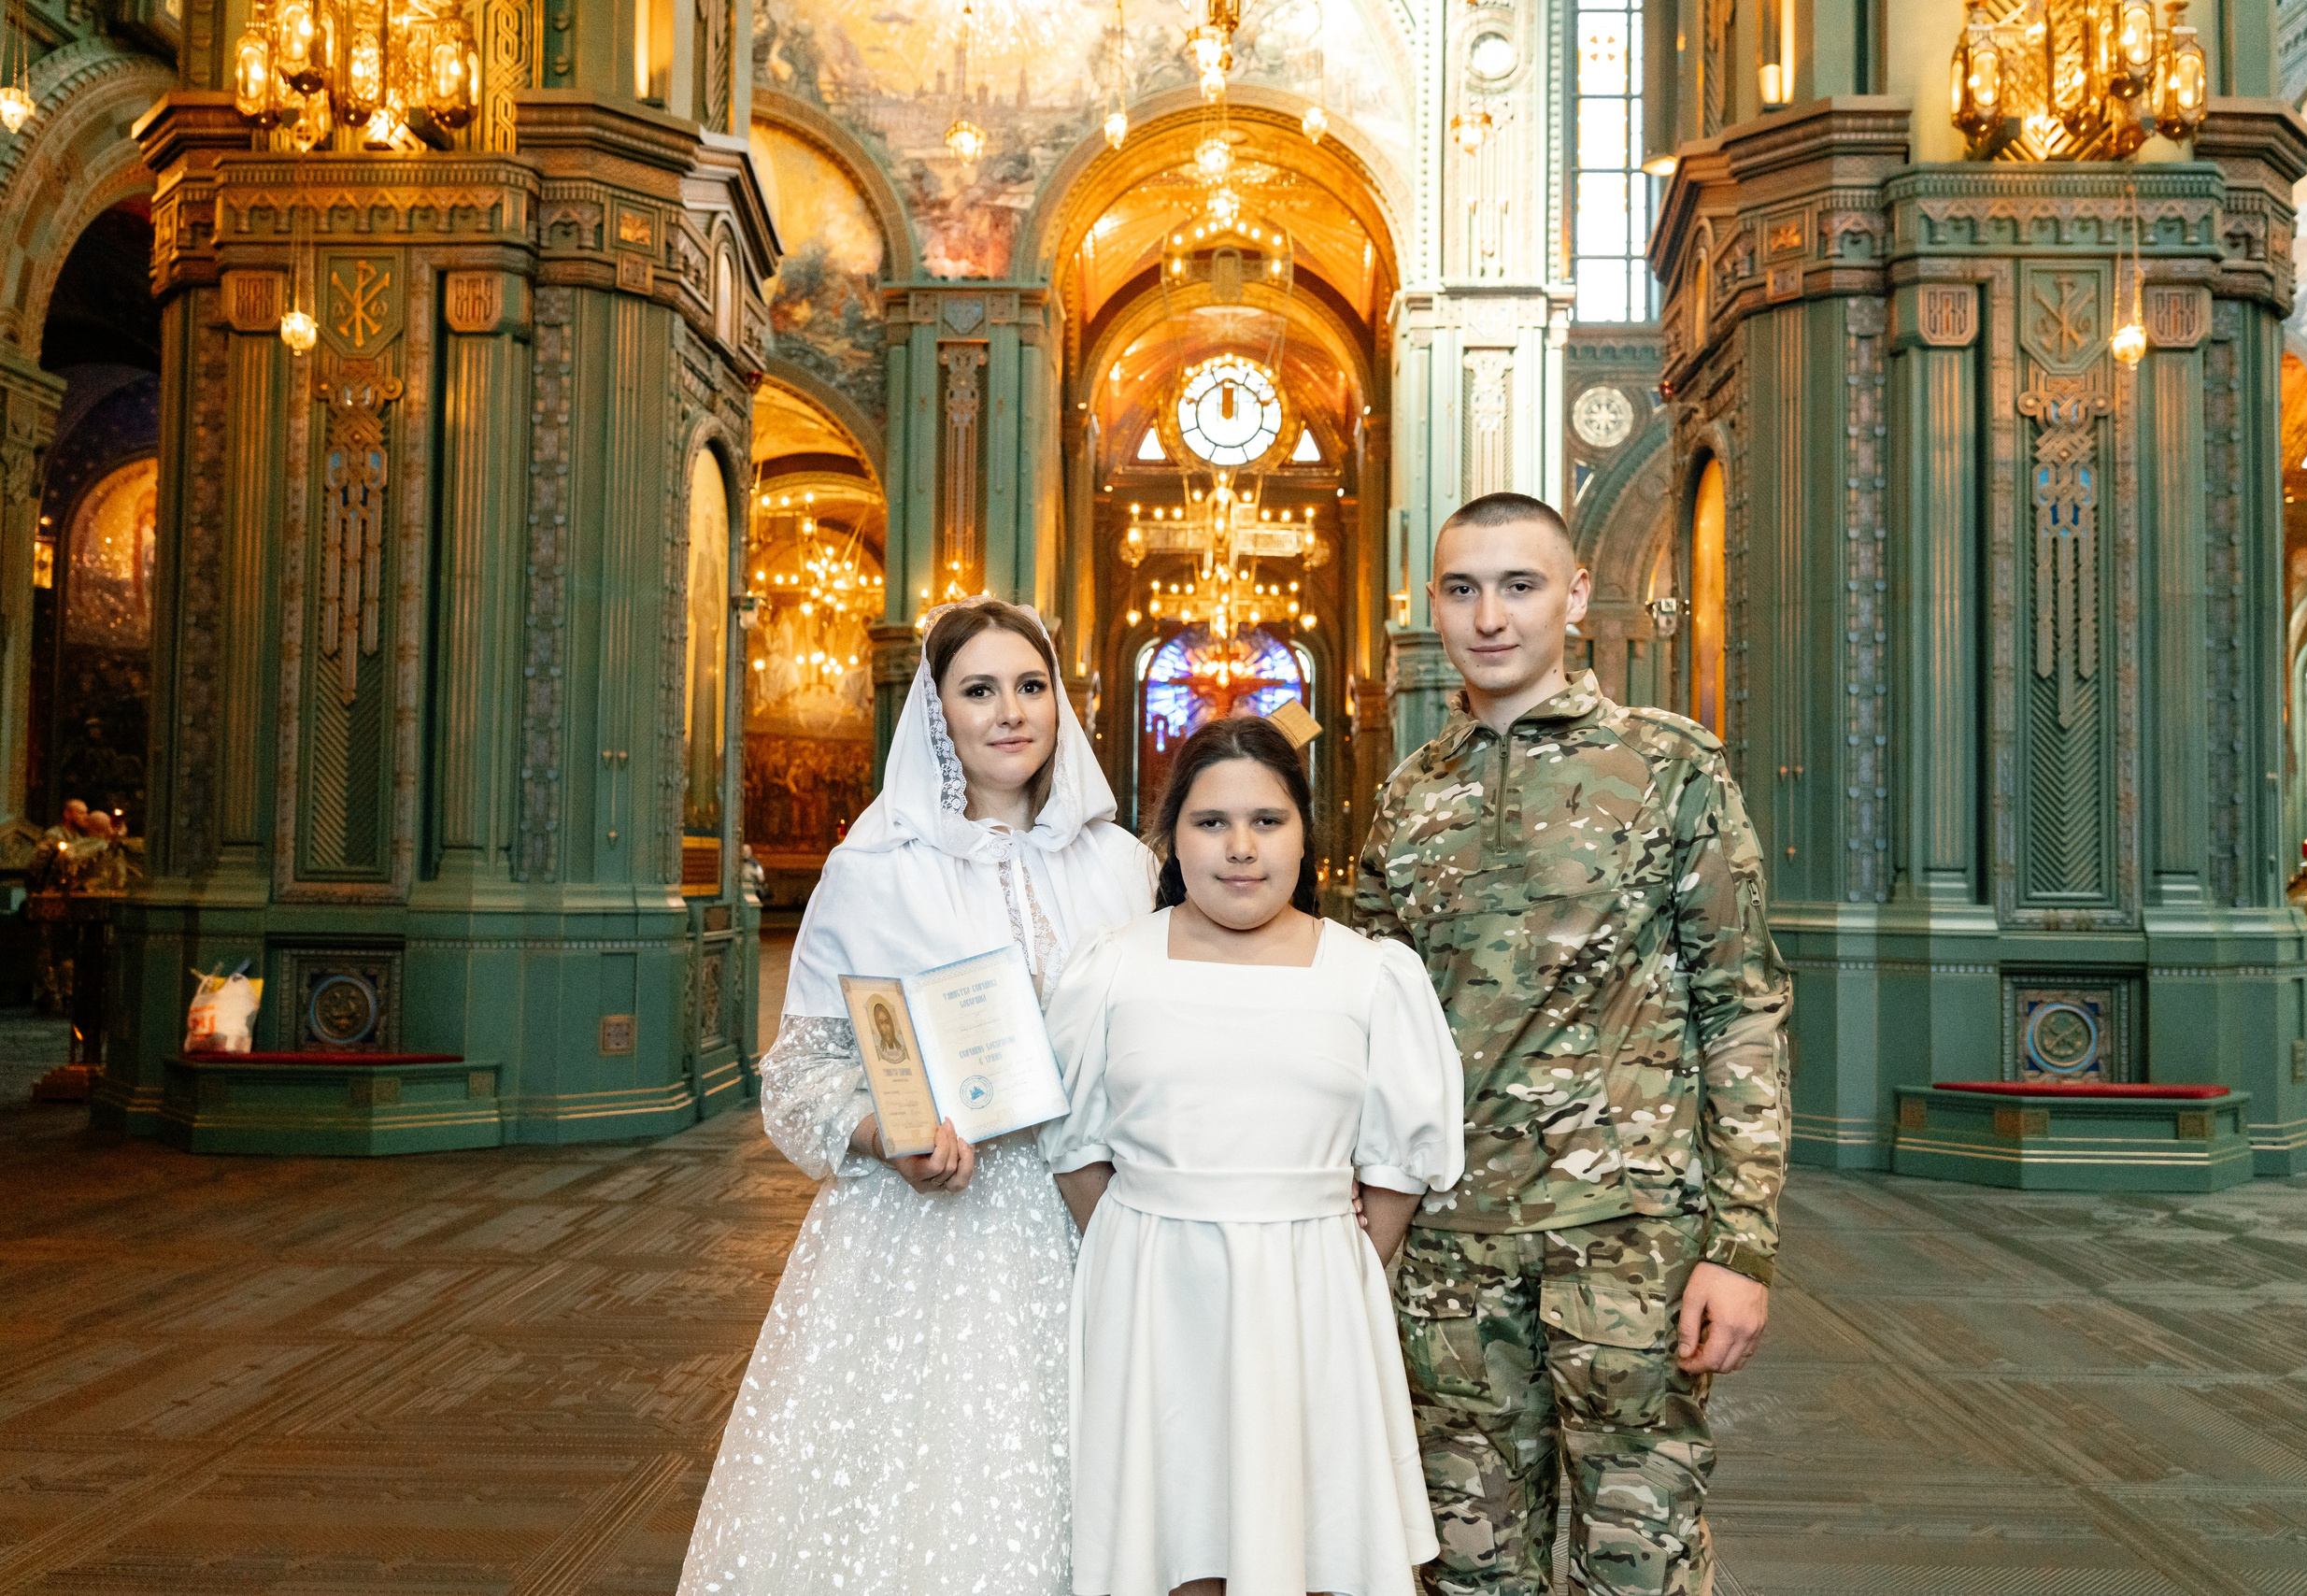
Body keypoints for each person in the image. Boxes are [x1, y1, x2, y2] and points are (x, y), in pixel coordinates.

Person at [1355, 492, 1791, 1596]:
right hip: (1451, 1254)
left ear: (1576, 596)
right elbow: (1364, 1036)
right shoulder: (1411, 798)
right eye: (1461, 589)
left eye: (1518, 585)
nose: (1488, 616)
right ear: (1433, 605)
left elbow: (1739, 1007)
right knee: (1467, 1565)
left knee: (1637, 1562)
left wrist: (1739, 1248)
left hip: (1633, 1245)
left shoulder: (1669, 767)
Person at [677, 598, 1157, 1596]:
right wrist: (885, 1133)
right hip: (927, 1226)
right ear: (937, 712)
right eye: (978, 689)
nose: (1010, 711)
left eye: (1031, 686)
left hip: (1099, 1214)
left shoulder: (1123, 866)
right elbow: (798, 1077)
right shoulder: (872, 870)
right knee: (931, 1492)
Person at [1042, 716, 1465, 1596]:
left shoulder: (1370, 975)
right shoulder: (1112, 969)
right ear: (1172, 839)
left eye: (1267, 822)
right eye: (1211, 823)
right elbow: (1076, 1146)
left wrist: (1317, 1254)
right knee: (1169, 1535)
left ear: (1305, 835)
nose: (1241, 849)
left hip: (1312, 1294)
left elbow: (1396, 1163)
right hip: (1154, 1296)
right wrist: (1154, 1238)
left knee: (1308, 1539)